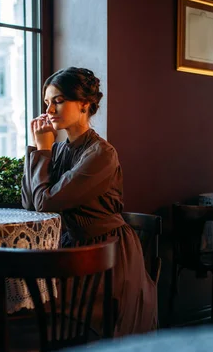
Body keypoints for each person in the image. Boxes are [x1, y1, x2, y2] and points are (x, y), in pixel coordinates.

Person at [21, 67, 158, 336]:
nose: (49, 110)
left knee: (46, 315)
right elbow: (29, 202)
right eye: (47, 103)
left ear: (84, 103)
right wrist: (40, 150)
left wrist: (43, 150)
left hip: (106, 253)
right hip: (71, 251)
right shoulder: (57, 149)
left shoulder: (102, 154)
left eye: (58, 101)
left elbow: (44, 203)